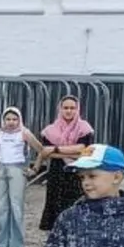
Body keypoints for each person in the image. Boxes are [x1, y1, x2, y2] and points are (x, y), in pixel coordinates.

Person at [35, 95, 94, 232]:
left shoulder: (84, 128)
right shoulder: (50, 131)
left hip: (77, 173)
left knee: (75, 205)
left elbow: (84, 149)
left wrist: (56, 149)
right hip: (57, 174)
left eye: (72, 108)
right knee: (55, 205)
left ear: (77, 109)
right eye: (65, 108)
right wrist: (73, 151)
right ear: (60, 109)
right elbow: (45, 151)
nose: (69, 111)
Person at [0, 106, 40, 247]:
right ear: (3, 120)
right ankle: (2, 246)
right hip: (2, 170)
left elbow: (41, 149)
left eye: (14, 119)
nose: (11, 122)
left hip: (18, 169)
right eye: (8, 119)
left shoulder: (24, 133)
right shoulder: (0, 133)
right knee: (1, 208)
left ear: (19, 120)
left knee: (16, 207)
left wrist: (34, 168)